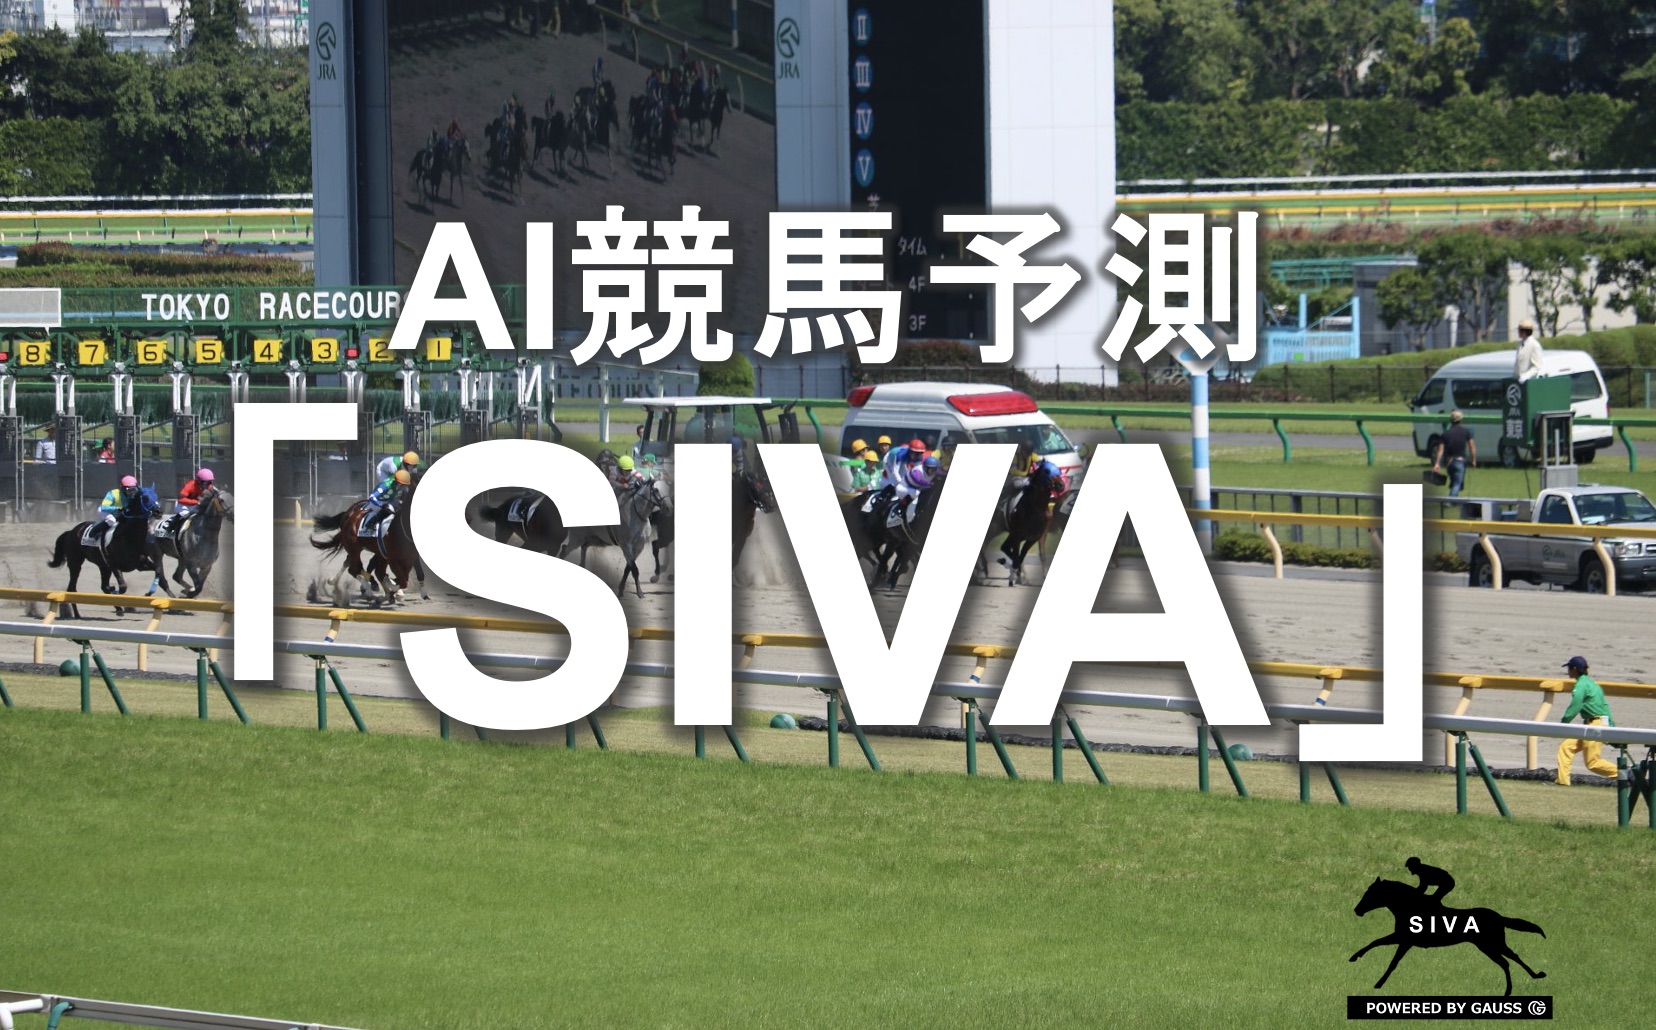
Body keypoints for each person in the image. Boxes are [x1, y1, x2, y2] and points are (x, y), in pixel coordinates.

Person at [1555, 656, 1618, 786]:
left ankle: (1625, 774)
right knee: (1566, 747)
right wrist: (1611, 726)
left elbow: (1575, 706)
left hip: (1595, 725)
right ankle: (1562, 782)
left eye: (1569, 668)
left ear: (1574, 669)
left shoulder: (1581, 684)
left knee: (1592, 762)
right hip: (1595, 723)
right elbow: (1605, 706)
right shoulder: (1593, 684)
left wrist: (1563, 723)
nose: (1568, 671)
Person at [1431, 410, 1477, 498]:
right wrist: (1473, 460)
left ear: (1451, 420)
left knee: (1454, 483)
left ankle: (1455, 502)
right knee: (1457, 485)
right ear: (1461, 420)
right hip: (1460, 462)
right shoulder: (1466, 432)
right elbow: (1472, 447)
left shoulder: (1445, 434)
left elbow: (1440, 450)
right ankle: (1449, 502)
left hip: (1449, 463)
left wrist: (1437, 463)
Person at [362, 469, 412, 535]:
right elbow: (372, 497)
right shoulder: (386, 485)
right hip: (377, 502)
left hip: (388, 500)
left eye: (405, 485)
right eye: (402, 484)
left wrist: (400, 504)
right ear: (398, 481)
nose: (404, 486)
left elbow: (404, 494)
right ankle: (370, 524)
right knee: (387, 510)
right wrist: (380, 505)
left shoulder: (401, 485)